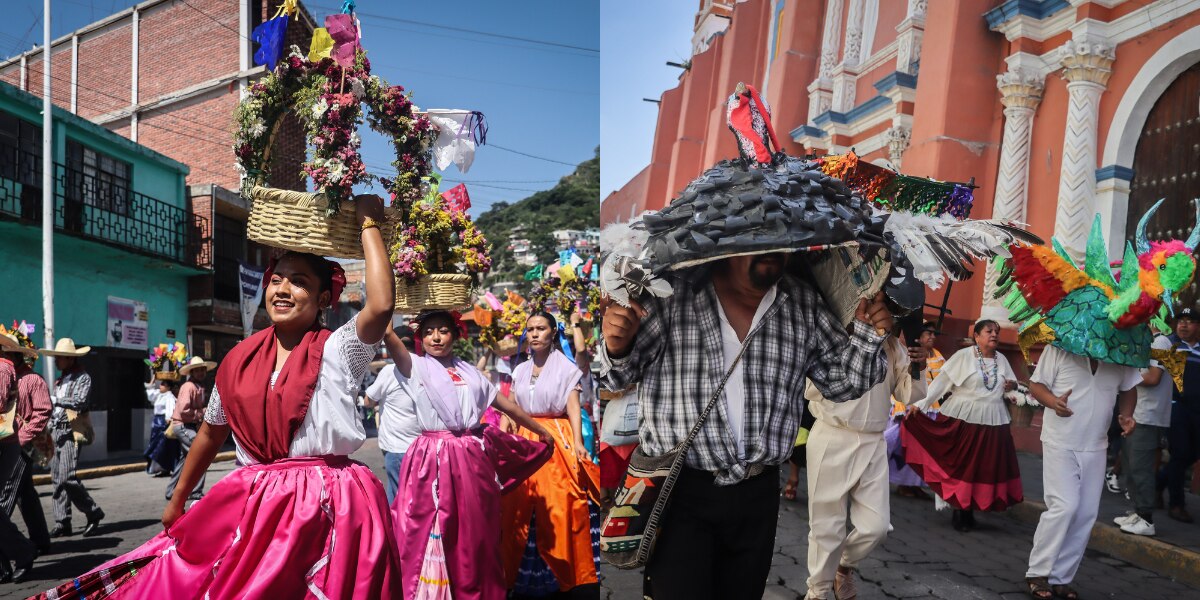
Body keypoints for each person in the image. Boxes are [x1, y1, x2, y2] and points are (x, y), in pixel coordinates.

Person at [33, 194, 402, 598]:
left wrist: (369, 224)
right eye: (276, 278)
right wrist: (177, 498)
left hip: (332, 504)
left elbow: (381, 306)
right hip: (261, 504)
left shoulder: (338, 349)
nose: (282, 289)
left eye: (299, 282)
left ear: (323, 300)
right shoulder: (238, 360)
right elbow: (210, 434)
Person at [600, 252, 893, 599]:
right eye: (760, 233)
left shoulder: (802, 303)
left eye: (782, 237)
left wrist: (867, 334)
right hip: (679, 491)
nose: (772, 248)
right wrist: (617, 344)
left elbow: (842, 383)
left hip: (757, 494)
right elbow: (616, 377)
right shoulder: (670, 292)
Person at [390, 310, 553, 600]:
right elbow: (386, 333)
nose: (436, 337)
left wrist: (539, 429)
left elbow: (508, 406)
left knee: (477, 529)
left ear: (456, 334)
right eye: (428, 332)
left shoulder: (470, 372)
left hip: (471, 458)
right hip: (432, 458)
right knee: (433, 524)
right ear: (420, 338)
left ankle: (478, 589)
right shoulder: (413, 366)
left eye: (443, 330)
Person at [803, 331, 925, 600]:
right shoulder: (834, 333)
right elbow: (814, 384)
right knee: (826, 526)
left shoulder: (893, 345)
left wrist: (919, 364)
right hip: (833, 433)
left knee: (876, 527)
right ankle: (818, 591)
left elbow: (908, 393)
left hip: (873, 441)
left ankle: (844, 566)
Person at [1024, 343, 1140, 600]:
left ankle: (1061, 577)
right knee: (1064, 506)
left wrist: (1126, 415)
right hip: (1059, 441)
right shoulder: (1059, 348)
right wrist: (1054, 403)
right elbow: (1036, 385)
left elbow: (1130, 387)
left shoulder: (1119, 352)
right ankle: (1038, 572)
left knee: (1086, 513)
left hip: (1096, 446)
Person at [500, 312, 601, 597]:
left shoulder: (567, 368)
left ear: (552, 333)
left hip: (555, 437)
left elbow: (573, 407)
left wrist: (579, 443)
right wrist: (505, 432)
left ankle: (566, 572)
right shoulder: (520, 370)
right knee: (518, 507)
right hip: (525, 442)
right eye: (530, 329)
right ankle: (522, 577)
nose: (534, 334)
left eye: (540, 329)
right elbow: (511, 405)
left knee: (561, 506)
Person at [902, 320, 1024, 532]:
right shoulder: (963, 357)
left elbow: (1011, 384)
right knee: (963, 466)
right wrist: (921, 405)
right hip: (964, 418)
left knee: (983, 468)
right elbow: (941, 383)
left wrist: (1011, 386)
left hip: (993, 421)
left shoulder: (1002, 359)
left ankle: (970, 508)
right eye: (989, 331)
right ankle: (960, 509)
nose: (994, 334)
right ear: (977, 336)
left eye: (997, 331)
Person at [39, 338, 104, 538]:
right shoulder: (61, 380)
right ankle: (62, 521)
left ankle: (92, 511)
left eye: (59, 358)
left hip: (71, 430)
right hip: (57, 430)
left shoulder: (83, 378)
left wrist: (57, 400)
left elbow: (80, 401)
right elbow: (57, 410)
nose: (56, 361)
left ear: (69, 358)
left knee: (67, 476)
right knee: (57, 478)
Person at [1115, 331, 1174, 536]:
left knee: (1141, 469)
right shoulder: (1144, 339)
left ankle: (1146, 519)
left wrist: (1124, 373)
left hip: (1149, 416)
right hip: (1136, 414)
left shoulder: (1161, 341)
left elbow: (1153, 377)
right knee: (1131, 467)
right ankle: (1137, 513)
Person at [0, 332, 45, 583]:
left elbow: (41, 412)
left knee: (8, 499)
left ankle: (22, 550)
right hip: (11, 443)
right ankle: (26, 548)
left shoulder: (24, 377)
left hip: (13, 443)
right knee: (24, 497)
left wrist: (23, 437)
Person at [364, 331, 422, 503]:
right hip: (423, 446)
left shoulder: (390, 370)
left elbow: (369, 401)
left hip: (398, 447)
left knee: (398, 501)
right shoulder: (426, 367)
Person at [1159, 307, 1200, 524]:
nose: (1183, 325)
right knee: (1181, 452)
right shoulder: (1169, 345)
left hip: (1197, 411)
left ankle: (1158, 483)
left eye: (1190, 321)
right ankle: (1177, 504)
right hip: (1175, 407)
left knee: (1191, 455)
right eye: (1181, 320)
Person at [165, 356, 216, 501]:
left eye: (202, 370)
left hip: (187, 426)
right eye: (197, 370)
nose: (200, 373)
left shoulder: (197, 386)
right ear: (192, 373)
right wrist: (201, 413)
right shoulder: (189, 387)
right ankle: (195, 492)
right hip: (183, 426)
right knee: (201, 455)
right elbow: (183, 409)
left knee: (184, 460)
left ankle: (171, 491)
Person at [144, 378, 178, 477]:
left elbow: (170, 409)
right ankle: (160, 468)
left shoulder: (169, 396)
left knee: (160, 446)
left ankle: (164, 468)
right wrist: (153, 380)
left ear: (168, 387)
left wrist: (168, 419)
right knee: (155, 445)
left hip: (163, 423)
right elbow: (150, 394)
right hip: (156, 423)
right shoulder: (159, 394)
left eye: (163, 384)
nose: (160, 386)